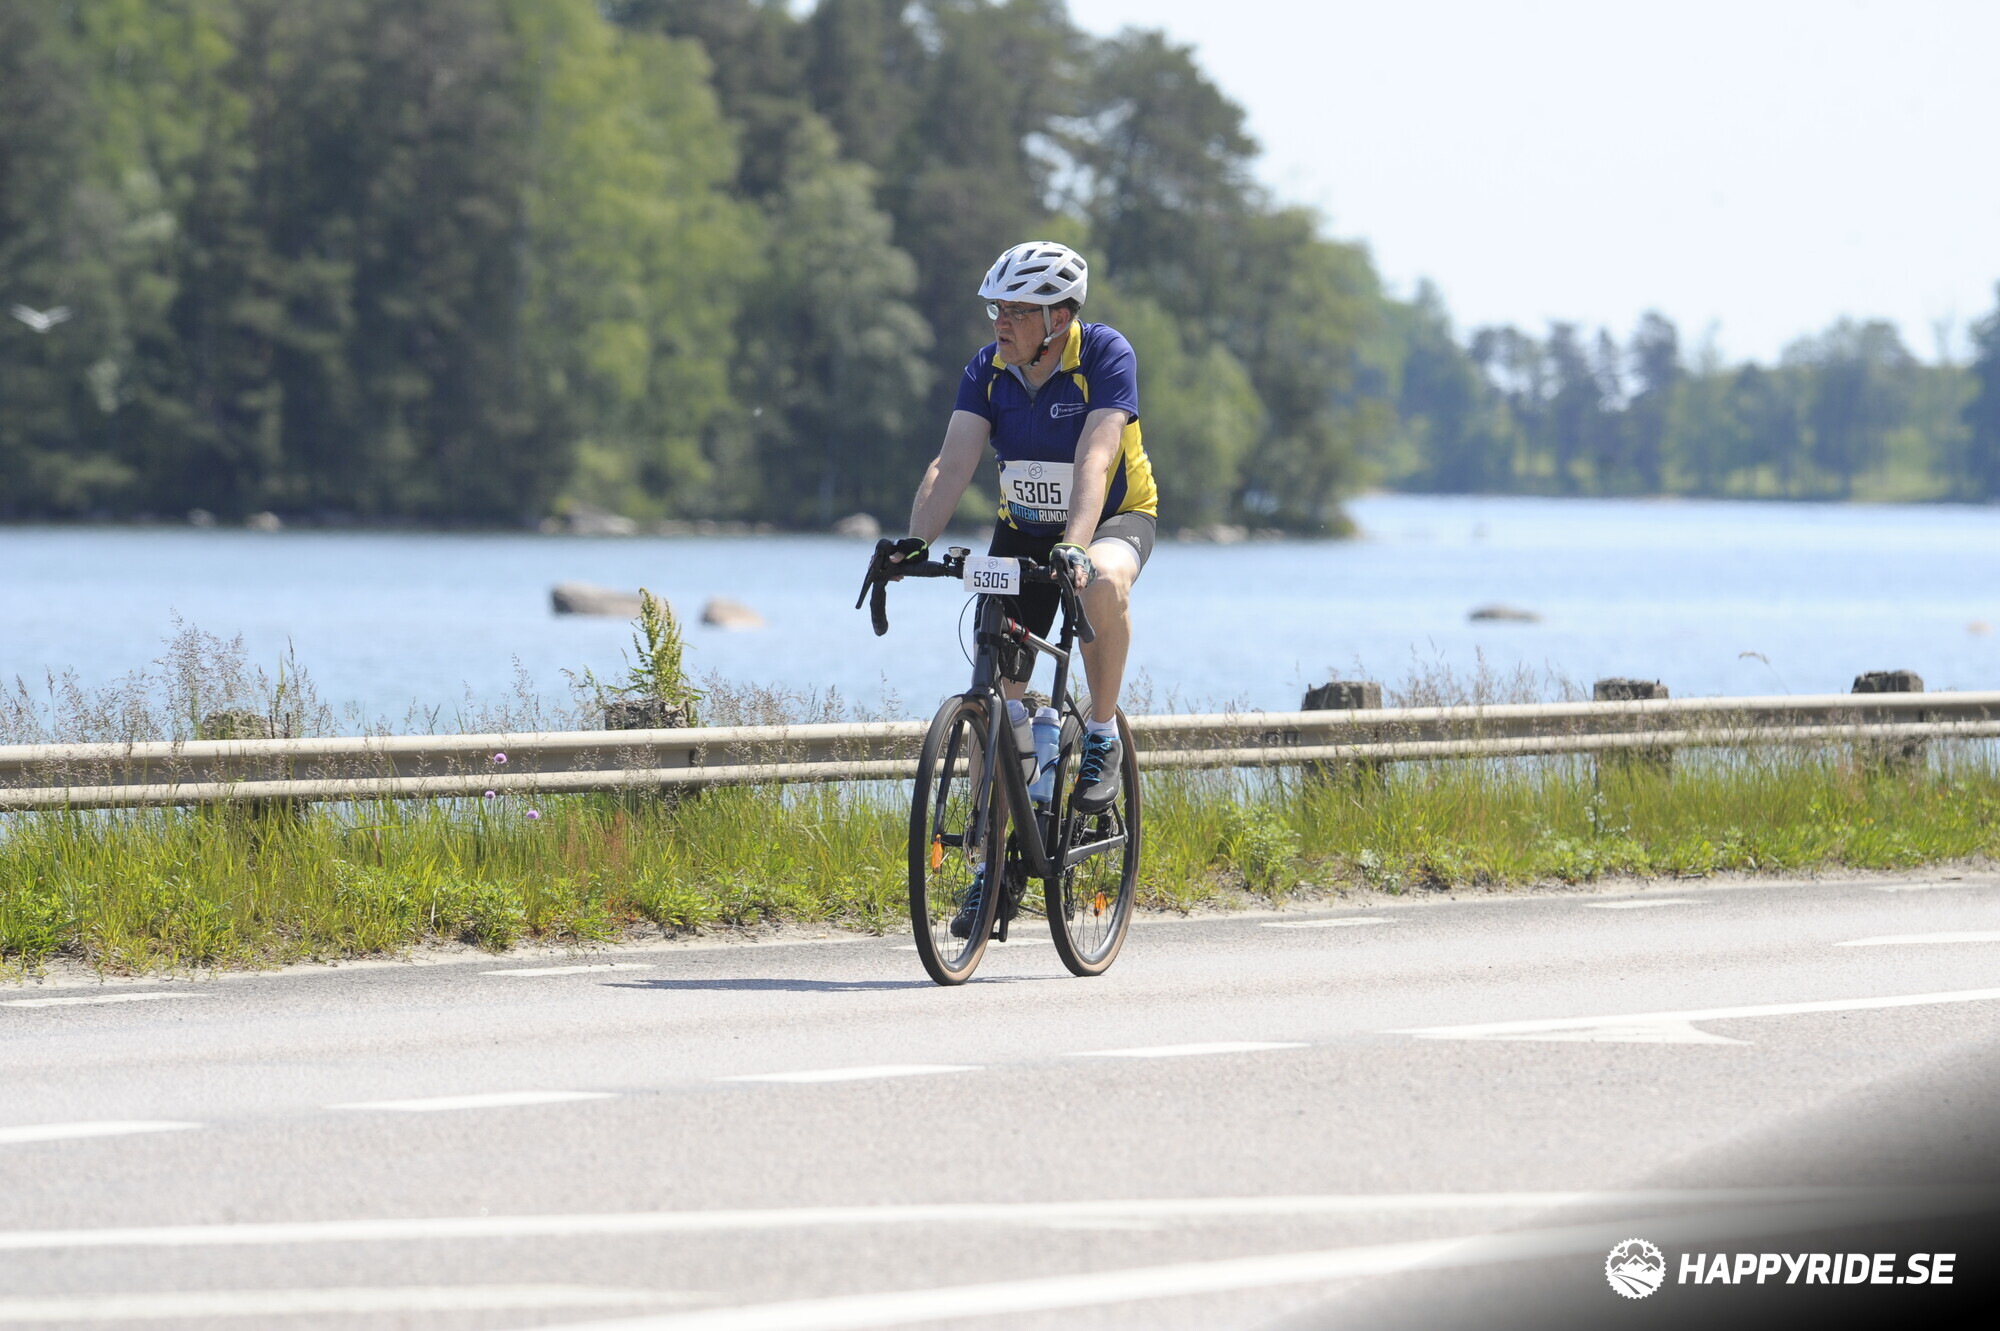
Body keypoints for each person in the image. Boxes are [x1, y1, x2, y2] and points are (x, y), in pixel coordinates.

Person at [885, 240, 1157, 839]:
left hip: (1110, 518)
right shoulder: (987, 369)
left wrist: (1076, 546)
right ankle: (989, 857)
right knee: (994, 699)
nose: (1000, 324)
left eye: (1017, 311)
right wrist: (915, 542)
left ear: (1058, 318)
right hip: (1025, 528)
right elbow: (952, 465)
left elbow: (1095, 459)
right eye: (997, 309)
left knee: (1102, 581)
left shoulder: (1104, 354)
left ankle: (1102, 735)